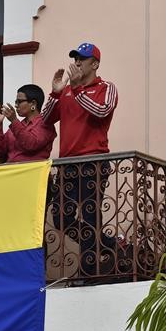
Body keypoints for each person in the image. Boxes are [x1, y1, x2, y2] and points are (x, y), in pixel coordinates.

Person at [41, 43, 119, 278]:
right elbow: (45, 120)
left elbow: (102, 111)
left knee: (89, 214)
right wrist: (55, 92)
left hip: (93, 162)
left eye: (82, 59)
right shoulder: (66, 92)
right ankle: (109, 243)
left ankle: (88, 270)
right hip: (67, 165)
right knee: (61, 218)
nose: (76, 62)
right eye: (75, 58)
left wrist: (76, 90)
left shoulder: (107, 87)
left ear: (94, 64)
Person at [0, 84, 56, 163]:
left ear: (33, 103)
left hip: (33, 172)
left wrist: (14, 120)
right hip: (12, 172)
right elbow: (1, 150)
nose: (16, 105)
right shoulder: (18, 124)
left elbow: (31, 144)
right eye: (16, 102)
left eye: (19, 101)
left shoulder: (45, 123)